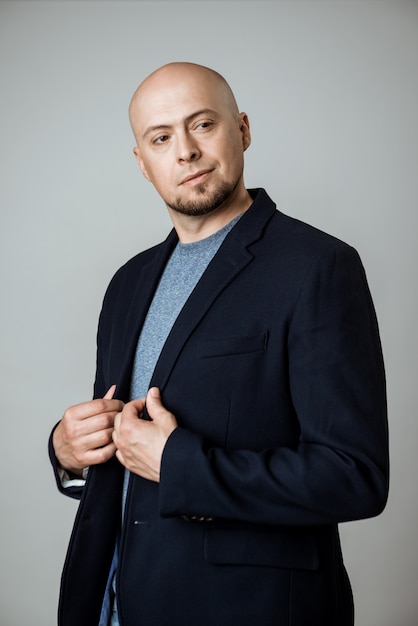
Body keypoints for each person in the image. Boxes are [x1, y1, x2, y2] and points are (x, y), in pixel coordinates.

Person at [49, 62, 389, 626]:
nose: (184, 150)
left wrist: (182, 465)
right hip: (112, 602)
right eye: (161, 138)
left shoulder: (319, 267)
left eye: (202, 124)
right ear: (142, 161)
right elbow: (120, 447)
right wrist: (68, 450)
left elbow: (354, 476)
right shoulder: (126, 282)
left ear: (243, 130)